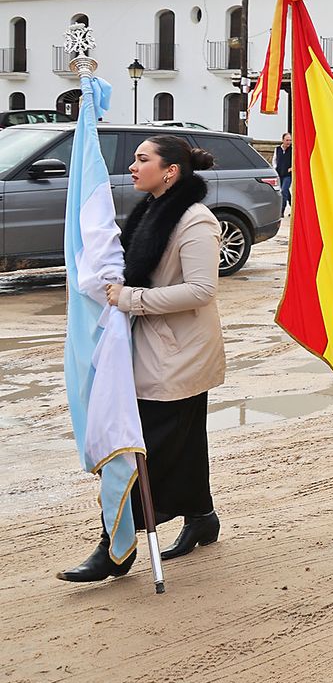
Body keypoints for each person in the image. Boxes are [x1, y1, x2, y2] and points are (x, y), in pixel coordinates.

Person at [61, 136, 225, 582]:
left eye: (141, 159)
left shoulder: (195, 221)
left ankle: (116, 546)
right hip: (151, 349)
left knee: (137, 449)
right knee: (185, 441)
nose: (132, 167)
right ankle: (202, 515)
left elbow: (201, 290)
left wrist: (130, 299)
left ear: (170, 171)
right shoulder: (152, 209)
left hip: (179, 356)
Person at [274, 132, 293, 209]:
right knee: (286, 192)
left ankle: (282, 210)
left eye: (290, 140)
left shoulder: (292, 150)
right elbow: (274, 160)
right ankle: (294, 206)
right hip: (279, 173)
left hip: (288, 175)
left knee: (284, 191)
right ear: (283, 140)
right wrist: (275, 168)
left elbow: (296, 161)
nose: (289, 142)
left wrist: (292, 168)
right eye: (287, 140)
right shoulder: (277, 149)